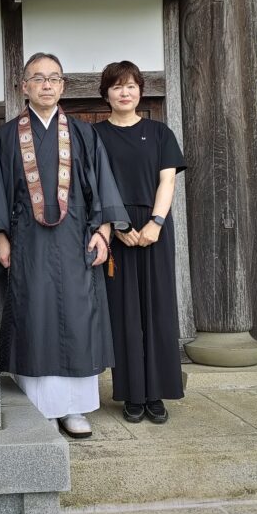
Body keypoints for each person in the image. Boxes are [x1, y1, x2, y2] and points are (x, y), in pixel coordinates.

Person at [0, 52, 129, 438]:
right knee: (35, 313)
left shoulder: (83, 134)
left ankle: (75, 408)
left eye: (54, 78)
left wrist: (104, 231)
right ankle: (40, 406)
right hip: (28, 241)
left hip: (77, 239)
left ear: (63, 86)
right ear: (24, 86)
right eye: (38, 78)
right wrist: (0, 238)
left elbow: (102, 183)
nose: (46, 85)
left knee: (79, 314)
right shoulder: (7, 136)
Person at [93, 61, 186, 424]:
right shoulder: (94, 135)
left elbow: (168, 181)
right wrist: (117, 225)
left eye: (131, 86)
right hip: (115, 231)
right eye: (117, 86)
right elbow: (93, 185)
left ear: (140, 92)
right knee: (125, 312)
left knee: (158, 309)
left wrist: (156, 223)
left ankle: (157, 394)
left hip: (154, 229)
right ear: (106, 94)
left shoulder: (159, 132)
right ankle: (132, 394)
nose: (125, 92)